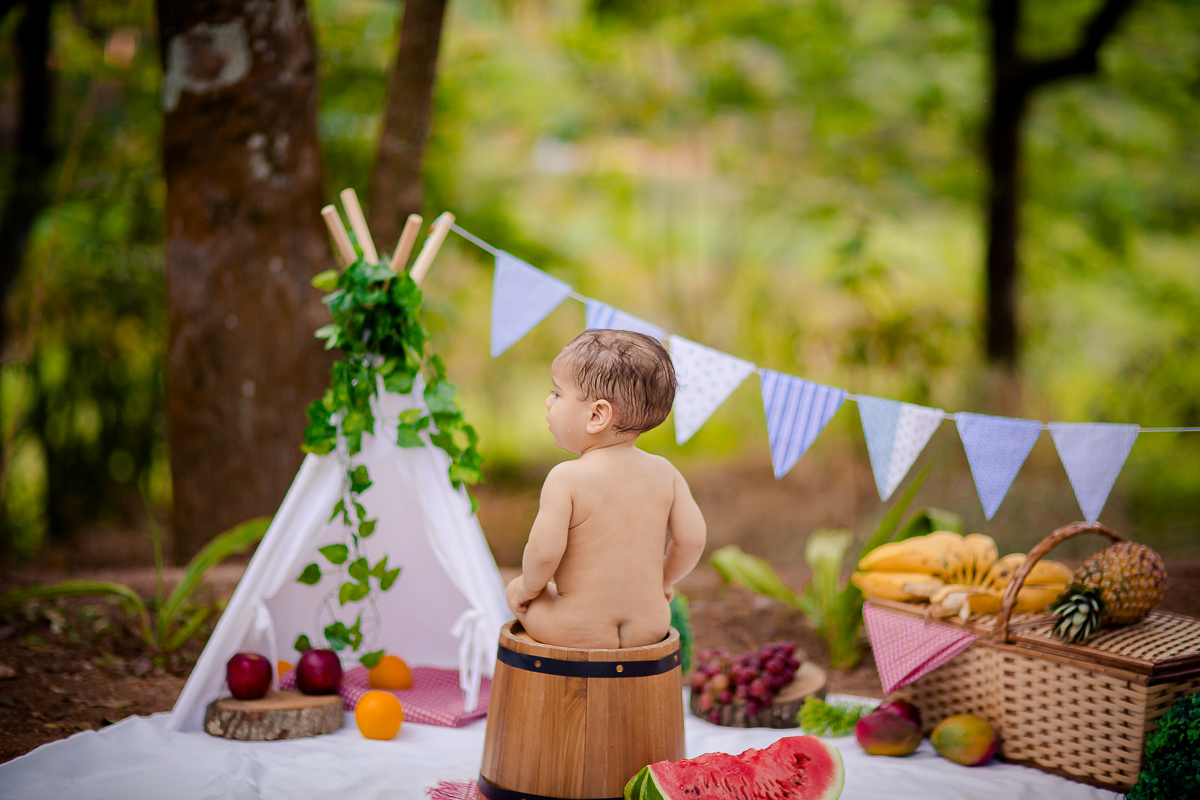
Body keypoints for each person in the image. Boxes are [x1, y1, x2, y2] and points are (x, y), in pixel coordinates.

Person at [505, 329, 707, 649]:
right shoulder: (666, 472)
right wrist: (664, 581)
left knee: (519, 593)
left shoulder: (566, 477)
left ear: (597, 415)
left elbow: (543, 554)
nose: (548, 401)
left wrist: (527, 588)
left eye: (557, 394)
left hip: (574, 628)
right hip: (651, 625)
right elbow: (693, 539)